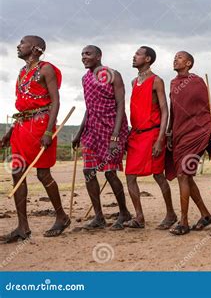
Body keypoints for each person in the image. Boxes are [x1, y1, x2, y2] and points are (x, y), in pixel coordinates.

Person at [0, 35, 70, 242]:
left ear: (36, 48)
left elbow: (55, 102)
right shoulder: (22, 72)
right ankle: (23, 227)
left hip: (41, 126)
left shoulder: (46, 69)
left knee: (43, 174)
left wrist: (49, 132)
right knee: (17, 172)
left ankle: (61, 216)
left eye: (23, 43)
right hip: (22, 127)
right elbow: (23, 107)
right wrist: (10, 131)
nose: (18, 45)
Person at [72, 45, 131, 231]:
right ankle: (99, 216)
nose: (83, 57)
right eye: (82, 54)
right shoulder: (85, 78)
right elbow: (89, 108)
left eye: (88, 54)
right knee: (88, 171)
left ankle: (124, 212)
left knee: (109, 172)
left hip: (111, 130)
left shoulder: (113, 74)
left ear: (99, 56)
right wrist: (79, 133)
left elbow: (121, 104)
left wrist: (115, 135)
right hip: (91, 131)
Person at [124, 46, 177, 229]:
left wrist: (161, 139)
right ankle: (139, 217)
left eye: (138, 54)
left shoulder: (157, 81)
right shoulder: (133, 82)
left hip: (153, 134)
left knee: (158, 175)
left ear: (147, 59)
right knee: (130, 175)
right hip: (136, 136)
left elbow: (164, 111)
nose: (134, 56)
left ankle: (171, 214)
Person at [165, 51, 211, 235]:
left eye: (179, 57)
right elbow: (173, 109)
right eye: (174, 57)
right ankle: (205, 215)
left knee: (183, 176)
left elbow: (206, 108)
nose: (175, 59)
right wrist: (169, 133)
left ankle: (183, 221)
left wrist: (210, 128)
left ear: (189, 63)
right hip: (179, 134)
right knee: (185, 176)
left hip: (197, 133)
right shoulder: (173, 83)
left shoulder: (198, 82)